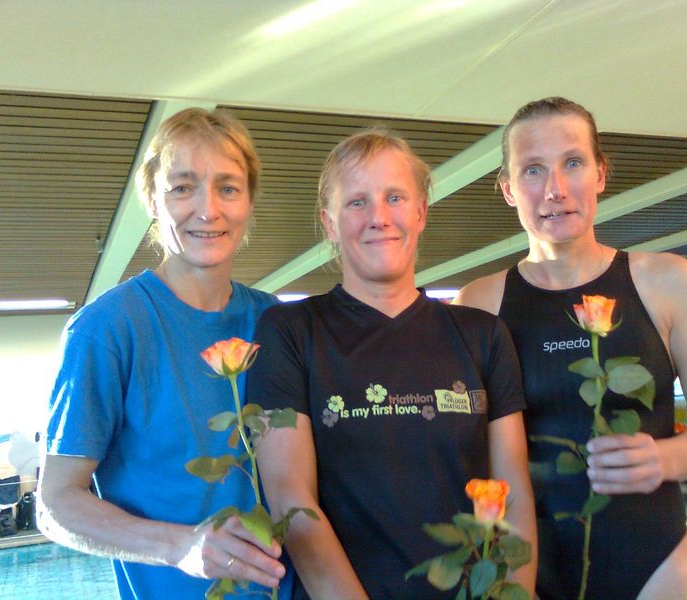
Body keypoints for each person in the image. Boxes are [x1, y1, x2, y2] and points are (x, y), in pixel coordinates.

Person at [455, 97, 687, 600]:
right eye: (533, 169)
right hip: (527, 572)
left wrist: (663, 458)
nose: (555, 189)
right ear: (508, 189)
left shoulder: (669, 281)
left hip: (659, 568)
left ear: (601, 174)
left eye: (573, 163)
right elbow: (467, 452)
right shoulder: (478, 303)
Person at [247, 128, 537, 599]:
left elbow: (513, 492)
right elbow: (290, 500)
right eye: (356, 202)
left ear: (420, 211)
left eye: (395, 197)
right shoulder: (289, 331)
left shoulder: (482, 335)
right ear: (329, 224)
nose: (379, 217)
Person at [37, 108, 290, 600]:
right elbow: (55, 503)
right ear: (153, 201)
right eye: (182, 187)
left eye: (228, 188)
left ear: (248, 201)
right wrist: (181, 546)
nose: (207, 210)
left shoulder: (276, 321)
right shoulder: (107, 329)